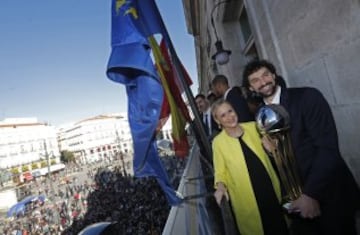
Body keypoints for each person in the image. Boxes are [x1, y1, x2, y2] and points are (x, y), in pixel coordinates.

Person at [242, 59, 360, 235]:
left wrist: (310, 194)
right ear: (251, 88)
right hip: (298, 205)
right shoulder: (260, 116)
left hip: (331, 196)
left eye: (266, 75)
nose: (263, 81)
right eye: (255, 80)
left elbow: (327, 149)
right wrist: (273, 153)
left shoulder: (307, 96)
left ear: (274, 75)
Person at [212, 99, 289, 235]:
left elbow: (274, 153)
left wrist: (272, 148)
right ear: (218, 121)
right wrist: (220, 187)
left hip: (269, 190)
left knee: (279, 226)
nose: (229, 117)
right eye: (223, 115)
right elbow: (220, 172)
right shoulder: (218, 143)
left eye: (230, 111)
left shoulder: (254, 126)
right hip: (246, 201)